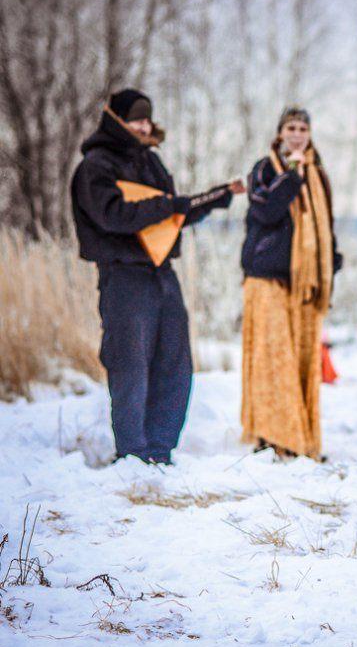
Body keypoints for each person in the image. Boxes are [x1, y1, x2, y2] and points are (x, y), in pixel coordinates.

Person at [71, 88, 242, 465]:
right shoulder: (96, 166)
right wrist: (168, 205)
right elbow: (113, 215)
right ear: (116, 120)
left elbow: (171, 215)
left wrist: (215, 197)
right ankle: (132, 454)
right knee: (130, 362)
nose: (144, 125)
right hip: (123, 276)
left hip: (162, 273)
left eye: (147, 118)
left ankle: (160, 450)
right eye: (136, 118)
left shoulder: (151, 163)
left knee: (175, 361)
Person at [240, 107, 342, 460]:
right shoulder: (265, 169)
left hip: (304, 282)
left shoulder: (318, 174)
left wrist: (331, 261)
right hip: (266, 276)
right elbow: (265, 211)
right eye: (290, 128)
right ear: (280, 133)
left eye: (303, 128)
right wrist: (294, 174)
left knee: (300, 360)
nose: (297, 134)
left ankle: (301, 439)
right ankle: (271, 437)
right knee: (272, 359)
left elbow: (324, 224)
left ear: (309, 133)